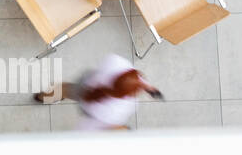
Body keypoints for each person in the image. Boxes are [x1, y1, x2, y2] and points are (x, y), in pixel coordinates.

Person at [34, 53, 163, 131]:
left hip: (85, 86)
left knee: (63, 89)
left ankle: (43, 97)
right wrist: (146, 87)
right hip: (89, 107)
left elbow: (129, 79)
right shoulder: (126, 106)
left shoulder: (116, 63)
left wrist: (145, 86)